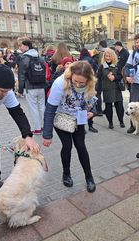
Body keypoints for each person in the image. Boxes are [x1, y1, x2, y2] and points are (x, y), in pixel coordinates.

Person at [0, 64, 39, 207]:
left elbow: (17, 112)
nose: (5, 94)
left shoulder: (7, 92)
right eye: (2, 91)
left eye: (8, 91)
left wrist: (28, 136)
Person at [42, 61, 96, 193]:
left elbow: (93, 101)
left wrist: (92, 112)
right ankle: (66, 174)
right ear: (71, 75)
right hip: (62, 117)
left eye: (81, 83)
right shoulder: (60, 83)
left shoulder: (91, 83)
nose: (78, 84)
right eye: (75, 81)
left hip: (79, 117)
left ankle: (89, 177)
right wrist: (47, 135)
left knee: (81, 146)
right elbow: (49, 110)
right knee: (67, 146)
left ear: (88, 79)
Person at [17, 38, 46, 135]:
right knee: (42, 107)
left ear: (26, 46)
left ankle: (37, 128)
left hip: (30, 87)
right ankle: (45, 127)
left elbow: (21, 75)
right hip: (41, 86)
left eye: (20, 45)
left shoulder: (25, 58)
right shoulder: (40, 57)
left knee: (33, 108)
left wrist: (20, 89)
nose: (19, 47)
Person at [96, 48, 124, 129]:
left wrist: (114, 78)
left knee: (119, 106)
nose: (108, 58)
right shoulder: (101, 67)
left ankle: (121, 121)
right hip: (106, 89)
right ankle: (110, 122)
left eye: (109, 56)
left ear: (113, 57)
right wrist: (98, 91)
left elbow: (120, 76)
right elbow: (99, 78)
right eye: (106, 56)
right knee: (108, 107)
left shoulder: (117, 65)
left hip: (116, 89)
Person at [79, 48, 98, 133]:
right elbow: (96, 69)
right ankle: (90, 125)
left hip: (81, 84)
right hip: (90, 84)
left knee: (82, 106)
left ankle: (82, 127)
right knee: (90, 105)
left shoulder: (79, 61)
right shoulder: (91, 60)